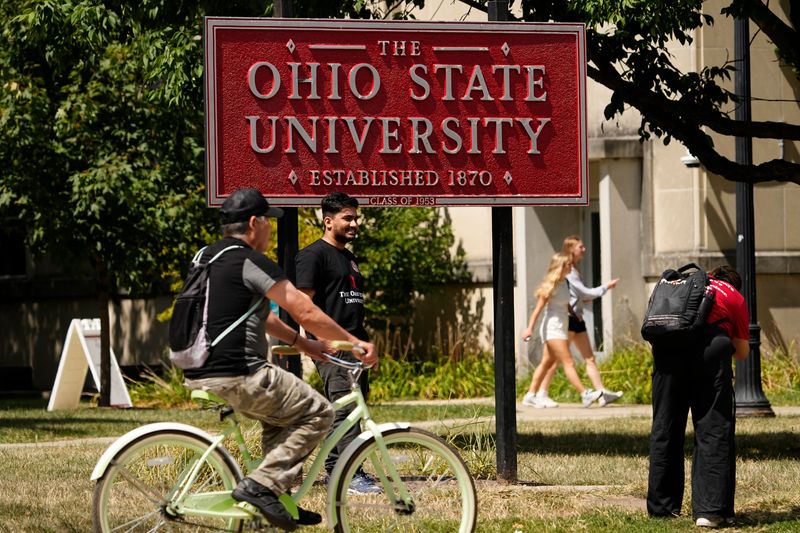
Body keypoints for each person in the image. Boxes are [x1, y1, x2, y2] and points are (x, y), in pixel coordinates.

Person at [183, 188, 377, 532]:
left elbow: (264, 318)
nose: (272, 230)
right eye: (269, 223)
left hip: (198, 368)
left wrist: (305, 344)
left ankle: (278, 499)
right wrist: (354, 342)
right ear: (255, 224)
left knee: (283, 418)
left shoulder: (211, 256)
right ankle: (261, 485)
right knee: (320, 412)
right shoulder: (250, 260)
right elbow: (302, 308)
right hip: (238, 371)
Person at [647, 265, 749, 529]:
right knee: (713, 429)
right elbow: (741, 352)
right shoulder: (732, 294)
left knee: (665, 427)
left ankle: (662, 507)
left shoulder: (677, 285)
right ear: (734, 282)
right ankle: (710, 511)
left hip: (667, 353)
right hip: (709, 355)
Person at [294, 192, 380, 495]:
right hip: (332, 349)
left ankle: (341, 468)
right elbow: (303, 305)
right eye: (348, 218)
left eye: (355, 217)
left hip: (354, 346)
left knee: (352, 410)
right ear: (328, 221)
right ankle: (347, 474)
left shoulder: (348, 257)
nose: (355, 223)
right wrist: (322, 341)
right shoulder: (313, 255)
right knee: (344, 410)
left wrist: (363, 344)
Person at [522, 235, 622, 408]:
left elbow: (569, 303)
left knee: (547, 363)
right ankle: (585, 393)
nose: (571, 266)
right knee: (568, 361)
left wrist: (576, 313)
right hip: (553, 327)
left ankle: (531, 395)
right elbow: (538, 310)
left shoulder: (564, 283)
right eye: (568, 264)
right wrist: (529, 328)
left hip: (564, 324)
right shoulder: (550, 286)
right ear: (560, 266)